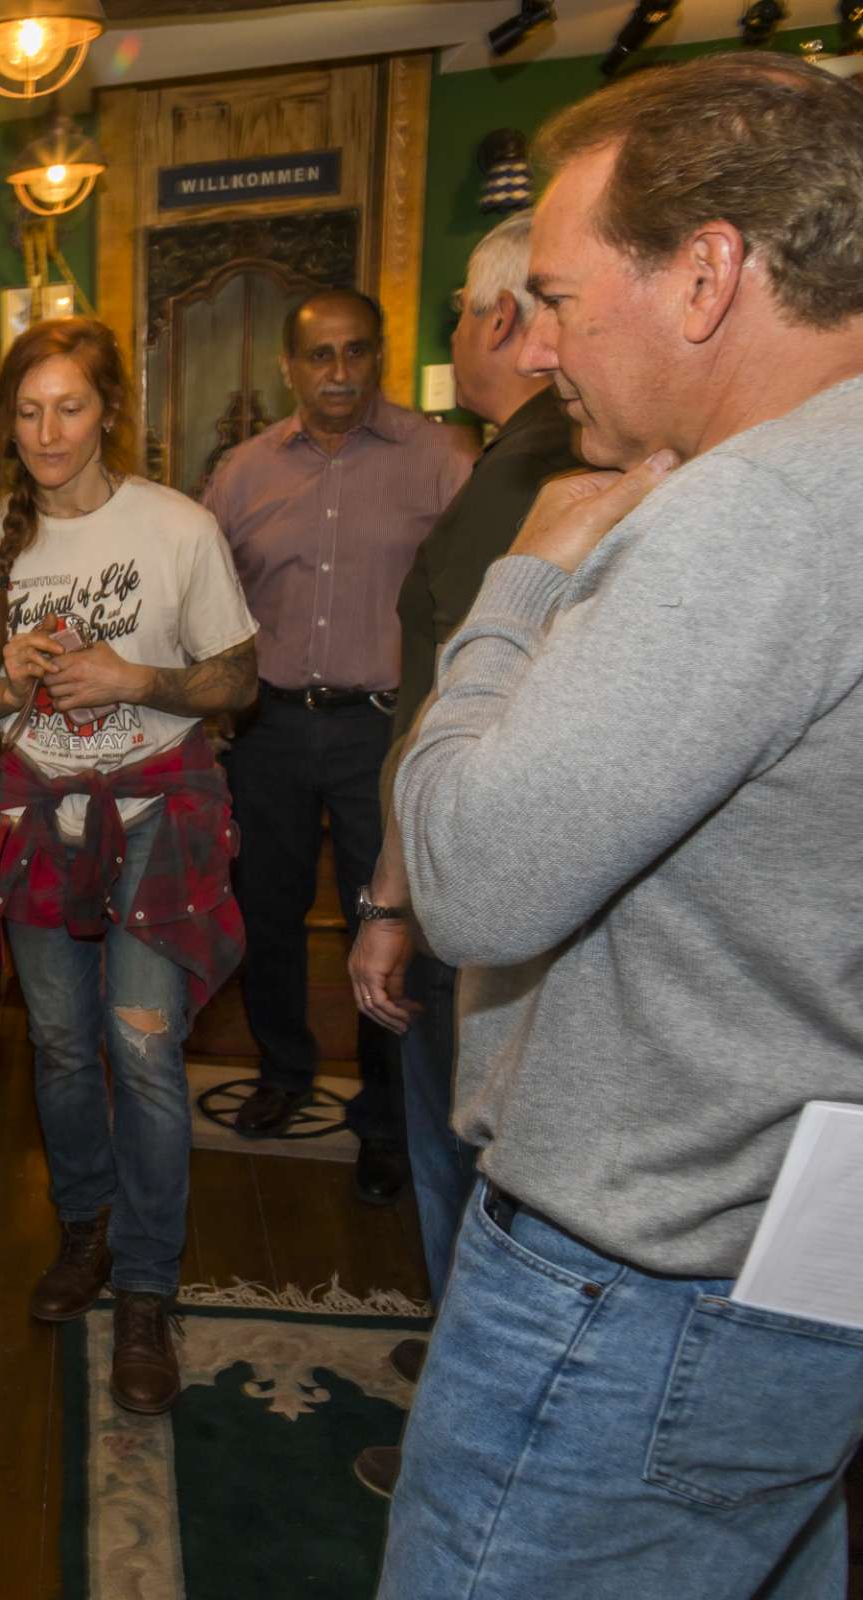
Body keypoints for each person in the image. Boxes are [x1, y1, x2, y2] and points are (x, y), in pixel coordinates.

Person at [381, 55, 863, 1597]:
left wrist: (521, 584)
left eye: (561, 300)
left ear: (707, 275)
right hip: (789, 1241)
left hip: (640, 1280)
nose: (535, 348)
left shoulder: (758, 511)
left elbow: (473, 876)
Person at [0, 318, 257, 1415]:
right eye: (28, 412)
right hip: (39, 817)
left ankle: (148, 1287)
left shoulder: (178, 527)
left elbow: (238, 680)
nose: (48, 432)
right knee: (63, 1047)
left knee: (143, 1050)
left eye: (69, 407)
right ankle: (87, 1229)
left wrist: (133, 677)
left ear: (109, 410)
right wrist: (5, 679)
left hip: (161, 814)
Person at [342, 212, 582, 1501]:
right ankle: (458, 1357)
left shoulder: (536, 471)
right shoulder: (525, 460)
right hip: (469, 852)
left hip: (461, 865)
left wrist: (390, 896)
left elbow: (459, 698)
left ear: (503, 319)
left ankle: (472, 1418)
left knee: (468, 1149)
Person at [201, 288, 474, 1204]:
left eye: (357, 351)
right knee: (266, 910)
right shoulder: (242, 473)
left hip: (384, 731)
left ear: (380, 355)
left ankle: (386, 1117)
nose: (339, 372)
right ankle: (283, 1070)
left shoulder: (439, 459)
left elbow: (475, 597)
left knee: (384, 920)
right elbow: (204, 595)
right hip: (269, 727)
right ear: (290, 367)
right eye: (320, 355)